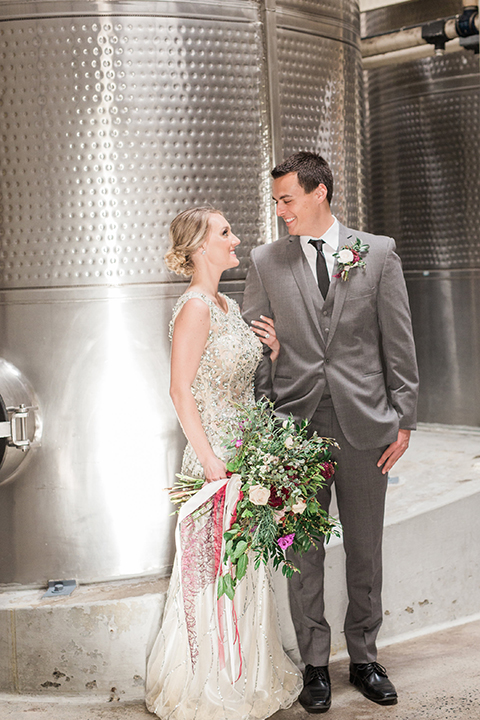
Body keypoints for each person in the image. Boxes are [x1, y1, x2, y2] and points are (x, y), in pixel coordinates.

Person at [242, 151, 419, 713]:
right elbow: (254, 347)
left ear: (319, 192)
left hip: (367, 424)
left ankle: (364, 656)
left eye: (287, 199)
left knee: (366, 548)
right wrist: (269, 410)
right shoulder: (267, 260)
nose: (280, 212)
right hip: (296, 427)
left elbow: (399, 339)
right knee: (304, 554)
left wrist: (405, 418)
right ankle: (315, 665)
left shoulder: (377, 252)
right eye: (275, 201)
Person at [145, 207, 302, 720]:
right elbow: (180, 389)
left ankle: (248, 671)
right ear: (198, 247)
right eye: (225, 233)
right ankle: (209, 680)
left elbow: (242, 379)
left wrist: (274, 354)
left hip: (245, 449)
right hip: (213, 456)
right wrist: (210, 458)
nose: (236, 240)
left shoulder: (227, 305)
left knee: (244, 568)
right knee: (212, 572)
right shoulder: (194, 306)